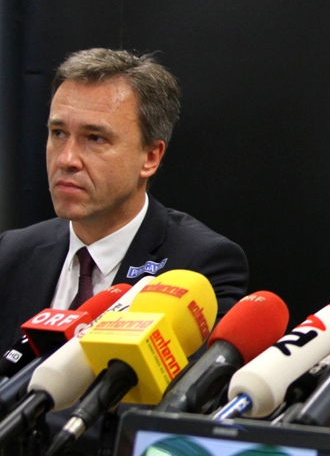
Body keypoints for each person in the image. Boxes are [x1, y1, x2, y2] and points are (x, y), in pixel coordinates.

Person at [0, 48, 249, 351]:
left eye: (95, 138)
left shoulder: (198, 267)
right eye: (58, 133)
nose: (66, 159)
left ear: (150, 157)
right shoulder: (11, 255)